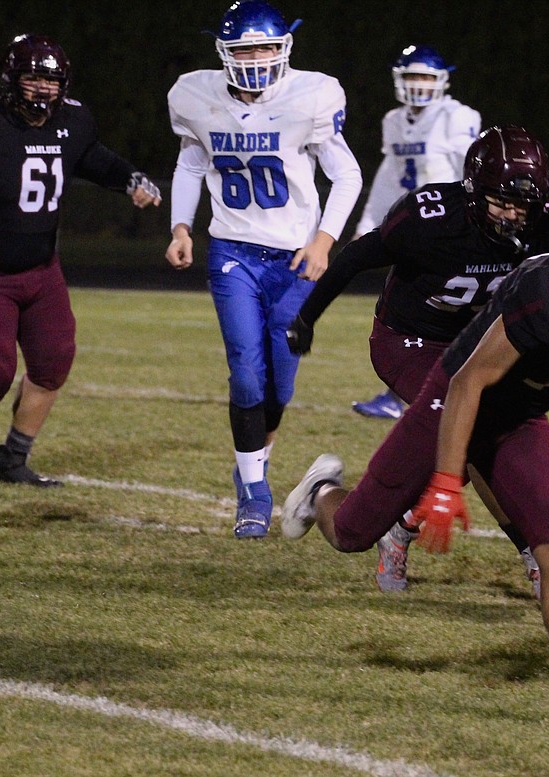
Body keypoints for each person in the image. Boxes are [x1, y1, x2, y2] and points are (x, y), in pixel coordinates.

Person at [281, 250, 549, 727]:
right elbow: (469, 381)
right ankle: (320, 492)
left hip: (518, 414)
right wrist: (444, 482)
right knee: (352, 532)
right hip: (458, 397)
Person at [286, 124, 549, 596]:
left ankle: (433, 529)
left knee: (490, 432)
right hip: (410, 341)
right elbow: (353, 258)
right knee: (473, 426)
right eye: (502, 203)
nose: (513, 215)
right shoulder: (429, 220)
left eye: (522, 206)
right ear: (472, 193)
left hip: (483, 343)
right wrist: (306, 316)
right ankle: (330, 494)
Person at [164, 0, 362, 538]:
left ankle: (252, 461)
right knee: (246, 371)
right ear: (223, 52)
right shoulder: (195, 94)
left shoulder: (310, 96)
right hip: (233, 251)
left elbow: (346, 174)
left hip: (296, 258)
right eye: (245, 48)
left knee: (280, 381)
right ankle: (253, 489)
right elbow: (190, 161)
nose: (256, 58)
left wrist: (325, 240)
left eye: (266, 47)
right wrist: (181, 226)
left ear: (285, 49)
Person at [0, 34, 161, 487]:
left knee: (53, 362)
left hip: (41, 269)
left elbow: (91, 158)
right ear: (12, 80)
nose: (43, 90)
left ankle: (12, 458)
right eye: (33, 78)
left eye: (51, 81)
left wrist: (129, 178)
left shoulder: (74, 120)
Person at [349, 44, 482, 420]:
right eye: (411, 76)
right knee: (414, 314)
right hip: (417, 229)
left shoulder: (457, 116)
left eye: (425, 76)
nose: (418, 84)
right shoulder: (394, 121)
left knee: (443, 315)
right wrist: (367, 224)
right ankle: (406, 393)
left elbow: (472, 167)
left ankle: (427, 392)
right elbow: (390, 175)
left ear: (441, 81)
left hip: (454, 229)